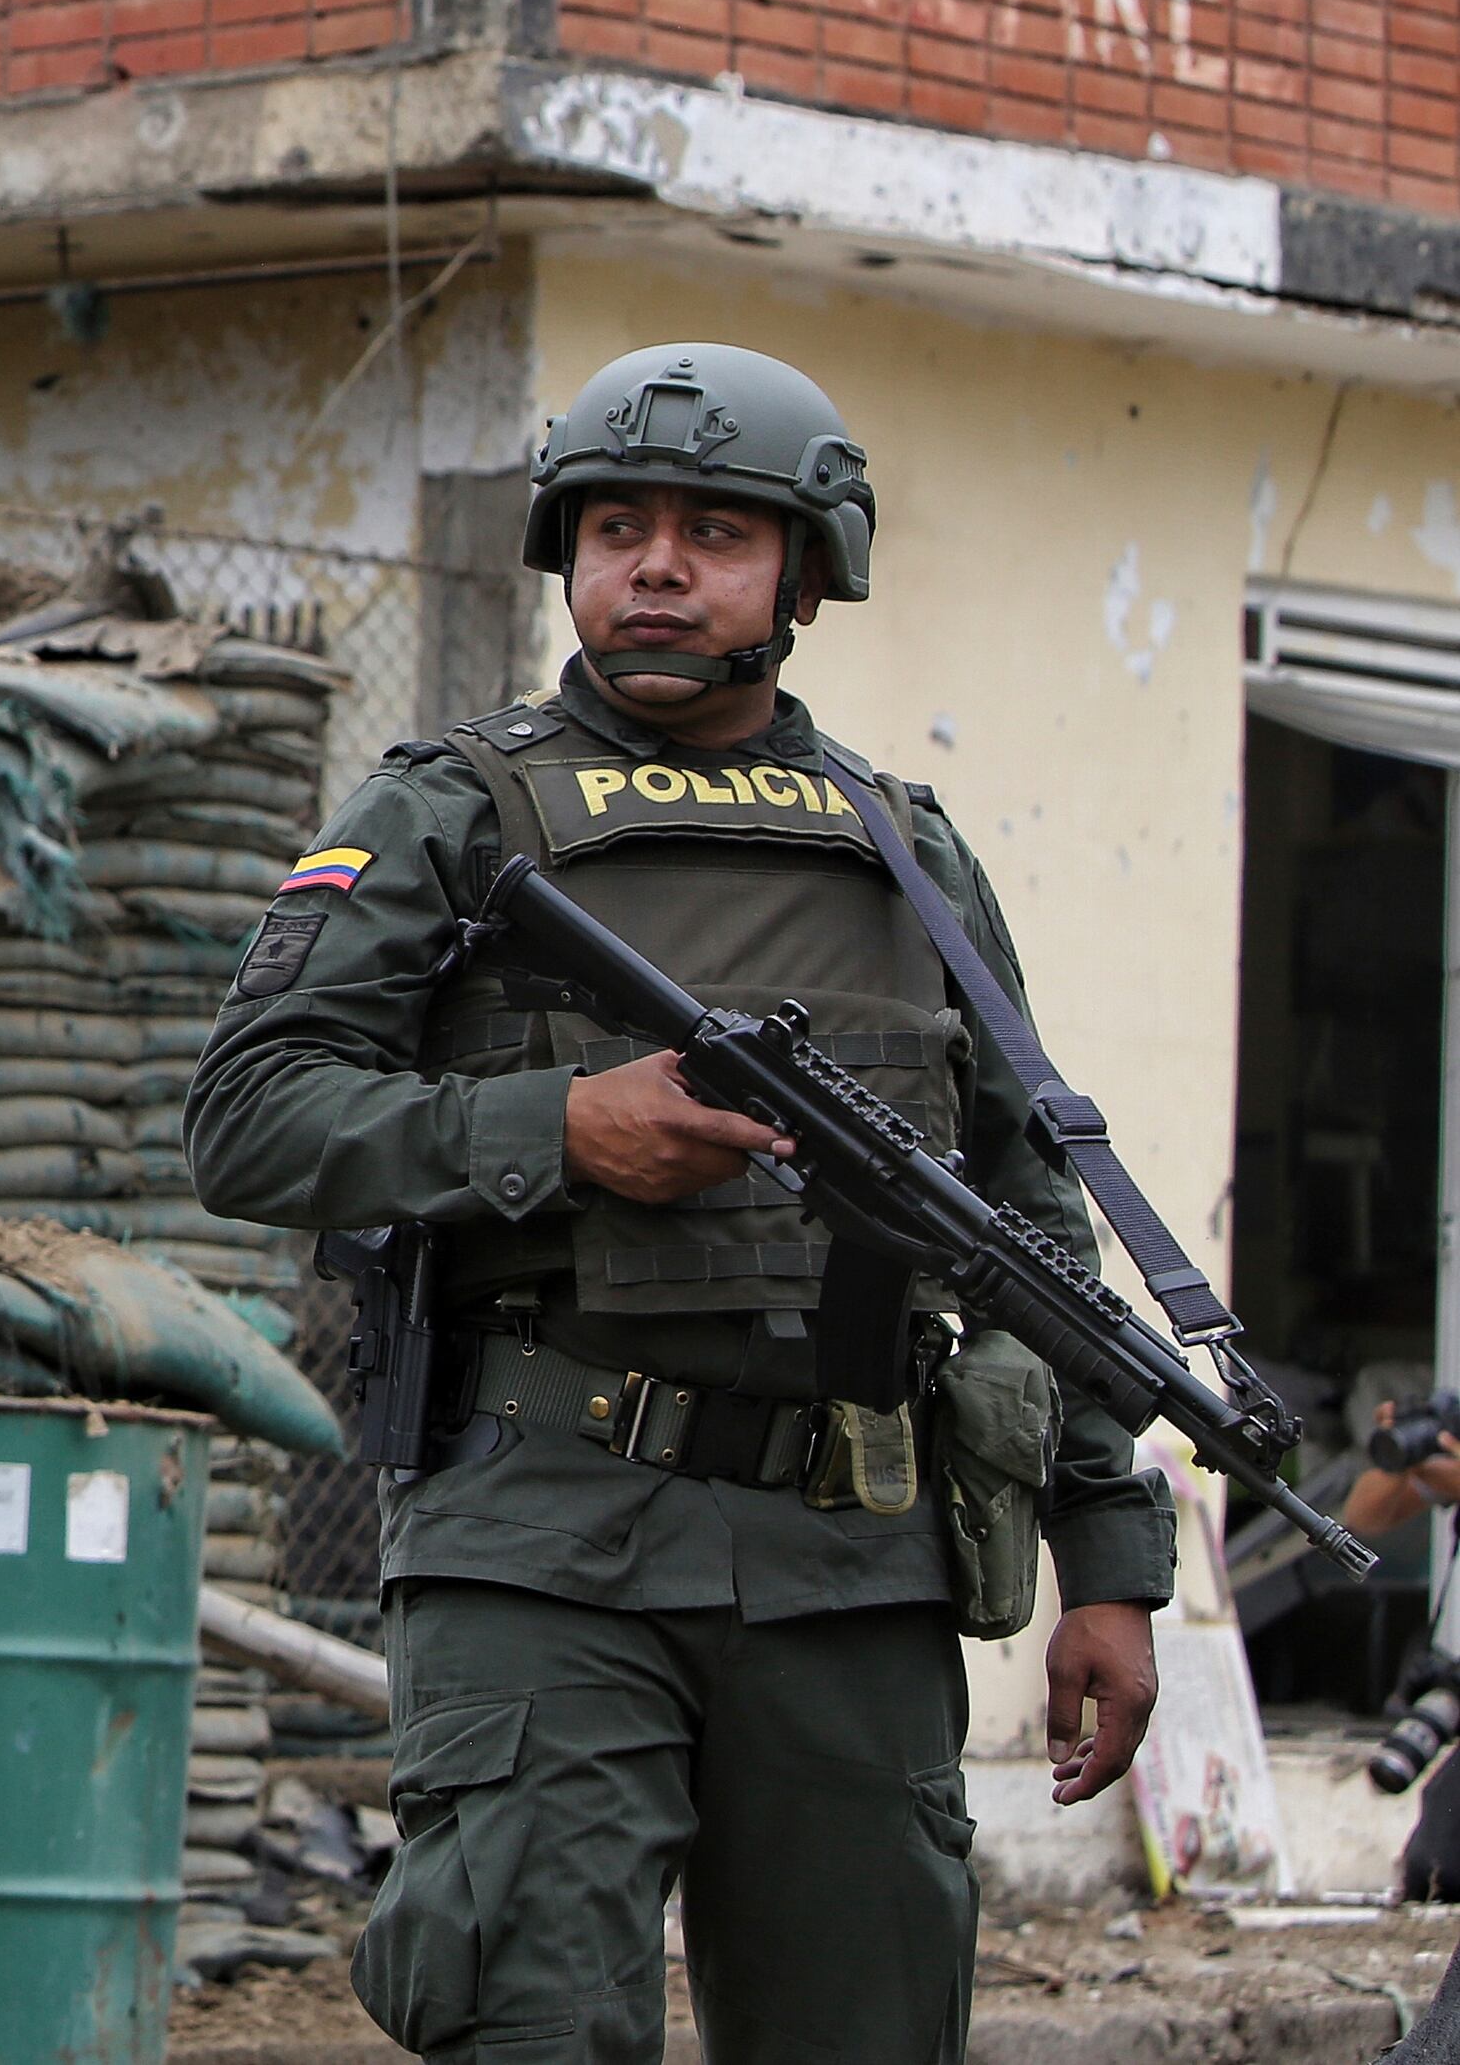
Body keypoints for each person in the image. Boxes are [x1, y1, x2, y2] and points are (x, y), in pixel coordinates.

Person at [187, 341, 1174, 2065]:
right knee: (533, 2023)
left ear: (805, 573)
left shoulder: (907, 848)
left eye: (715, 530)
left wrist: (1110, 1555)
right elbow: (251, 1117)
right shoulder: (446, 808)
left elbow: (1025, 1209)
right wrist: (562, 1124)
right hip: (544, 1540)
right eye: (617, 524)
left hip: (852, 1561)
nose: (655, 564)